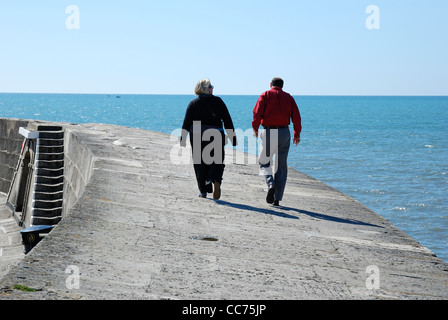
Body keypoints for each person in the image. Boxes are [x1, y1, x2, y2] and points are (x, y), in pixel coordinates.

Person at [181, 79, 237, 199]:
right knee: (217, 160)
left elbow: (186, 122)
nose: (213, 88)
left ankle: (203, 191)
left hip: (197, 135)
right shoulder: (218, 101)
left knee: (199, 162)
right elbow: (227, 119)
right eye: (211, 86)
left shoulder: (193, 103)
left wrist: (183, 138)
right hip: (216, 134)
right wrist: (232, 137)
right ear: (206, 88)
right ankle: (216, 180)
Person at [252, 77, 301, 206]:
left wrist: (255, 128)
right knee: (281, 166)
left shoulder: (266, 95)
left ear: (270, 84)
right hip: (284, 132)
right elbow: (296, 116)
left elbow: (257, 113)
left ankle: (270, 184)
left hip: (269, 132)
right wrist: (297, 134)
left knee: (264, 162)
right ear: (282, 86)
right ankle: (277, 199)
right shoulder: (289, 97)